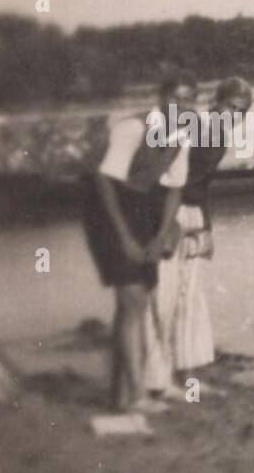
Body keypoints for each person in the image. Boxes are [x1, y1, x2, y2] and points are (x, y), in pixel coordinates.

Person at [83, 72, 196, 412]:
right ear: (161, 99)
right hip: (107, 207)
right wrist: (126, 239)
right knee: (131, 297)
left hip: (145, 205)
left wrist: (161, 234)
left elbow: (175, 188)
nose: (183, 105)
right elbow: (105, 183)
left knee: (137, 300)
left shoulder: (182, 135)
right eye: (176, 98)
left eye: (190, 99)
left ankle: (122, 394)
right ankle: (136, 396)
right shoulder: (132, 128)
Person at [144, 76, 254, 392]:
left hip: (190, 213)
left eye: (242, 111)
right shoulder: (194, 128)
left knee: (188, 296)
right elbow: (163, 180)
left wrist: (207, 228)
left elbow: (202, 186)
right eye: (231, 107)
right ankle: (157, 379)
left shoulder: (221, 134)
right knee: (164, 295)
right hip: (166, 212)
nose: (235, 116)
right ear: (214, 102)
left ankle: (186, 377)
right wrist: (165, 226)